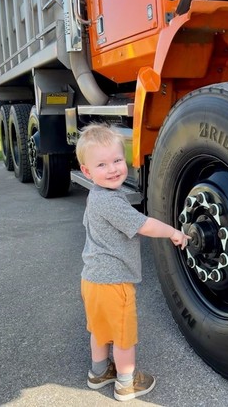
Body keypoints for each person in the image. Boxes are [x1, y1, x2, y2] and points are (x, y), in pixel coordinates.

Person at [75, 123, 190, 402]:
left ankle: (99, 372)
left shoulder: (96, 195)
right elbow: (144, 225)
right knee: (124, 337)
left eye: (116, 160)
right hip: (114, 282)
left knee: (100, 330)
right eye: (102, 164)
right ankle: (126, 383)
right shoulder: (112, 203)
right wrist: (173, 232)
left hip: (91, 279)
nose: (113, 168)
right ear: (87, 172)